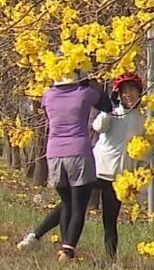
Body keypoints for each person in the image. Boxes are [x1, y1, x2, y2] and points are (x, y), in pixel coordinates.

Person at [18, 72, 144, 260]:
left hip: (119, 178)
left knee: (110, 222)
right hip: (97, 169)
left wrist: (136, 175)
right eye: (124, 91)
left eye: (132, 90)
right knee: (71, 205)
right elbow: (98, 126)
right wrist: (107, 110)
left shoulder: (141, 119)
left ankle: (110, 261)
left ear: (139, 93)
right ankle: (38, 237)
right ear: (118, 95)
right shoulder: (113, 113)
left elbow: (140, 150)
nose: (128, 95)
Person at [39, 66, 112, 261]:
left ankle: (64, 248)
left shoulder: (47, 95)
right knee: (79, 205)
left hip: (54, 154)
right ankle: (68, 250)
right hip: (78, 152)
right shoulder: (84, 94)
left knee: (67, 203)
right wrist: (93, 83)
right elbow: (107, 105)